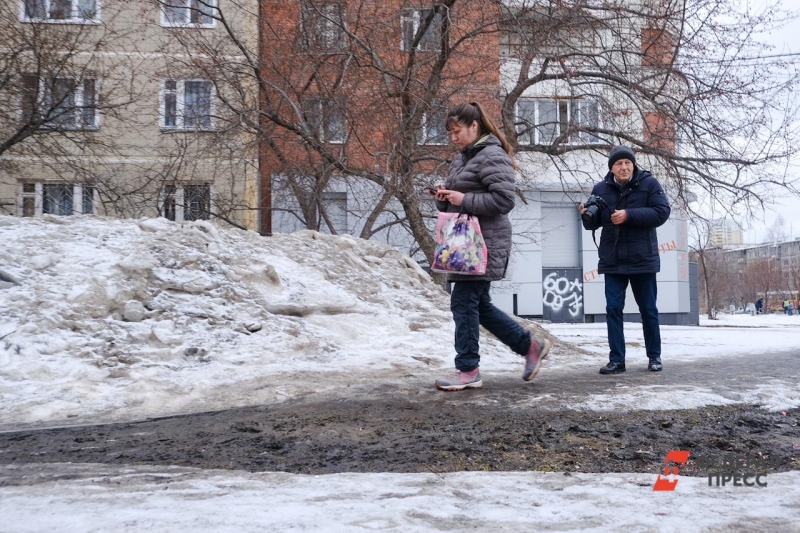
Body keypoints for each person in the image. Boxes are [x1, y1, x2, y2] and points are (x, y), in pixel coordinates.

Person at [431, 102, 551, 391]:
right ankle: (529, 346)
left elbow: (504, 200)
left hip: (481, 244)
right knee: (479, 305)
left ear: (474, 126)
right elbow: (460, 197)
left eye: (457, 131)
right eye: (450, 133)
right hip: (463, 244)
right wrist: (443, 197)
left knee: (463, 302)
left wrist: (463, 199)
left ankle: (468, 369)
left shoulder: (492, 155)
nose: (453, 138)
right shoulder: (463, 159)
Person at [580, 145, 670, 374]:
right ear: (611, 167)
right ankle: (617, 360)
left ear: (633, 165)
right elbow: (594, 223)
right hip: (613, 258)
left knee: (648, 310)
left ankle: (654, 357)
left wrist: (628, 215)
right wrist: (586, 216)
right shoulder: (600, 188)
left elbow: (662, 212)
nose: (624, 167)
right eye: (619, 163)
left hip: (643, 258)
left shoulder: (649, 184)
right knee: (613, 309)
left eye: (627, 163)